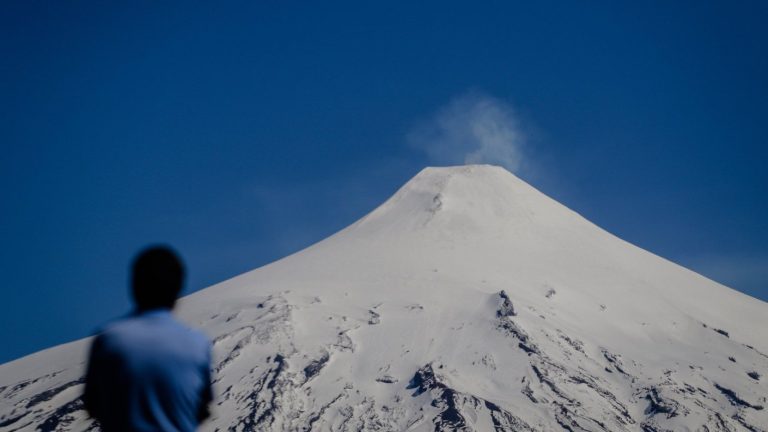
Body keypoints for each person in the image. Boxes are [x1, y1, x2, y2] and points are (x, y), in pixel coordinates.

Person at [84, 246, 213, 432]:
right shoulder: (197, 344)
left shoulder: (109, 340)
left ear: (134, 286)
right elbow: (201, 407)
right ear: (178, 290)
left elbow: (93, 404)